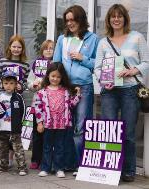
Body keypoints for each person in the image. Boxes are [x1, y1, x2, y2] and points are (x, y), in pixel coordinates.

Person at [94, 4, 149, 182]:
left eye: (119, 16)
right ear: (109, 19)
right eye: (113, 16)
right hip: (109, 92)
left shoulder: (137, 37)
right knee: (109, 131)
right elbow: (98, 68)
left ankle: (129, 170)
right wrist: (104, 80)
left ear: (125, 18)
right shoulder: (103, 42)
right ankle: (111, 170)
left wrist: (133, 70)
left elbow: (147, 62)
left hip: (131, 90)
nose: (116, 19)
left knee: (128, 134)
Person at [53, 5, 99, 175]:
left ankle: (83, 165)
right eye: (67, 20)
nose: (70, 23)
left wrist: (83, 58)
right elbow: (56, 64)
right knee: (65, 126)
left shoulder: (93, 38)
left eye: (73, 19)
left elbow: (98, 64)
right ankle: (67, 163)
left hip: (84, 87)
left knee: (80, 127)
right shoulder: (61, 39)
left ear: (81, 19)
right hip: (65, 88)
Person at [32, 63, 80, 178]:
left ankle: (59, 168)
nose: (55, 79)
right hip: (48, 124)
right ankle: (45, 168)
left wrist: (77, 95)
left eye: (58, 77)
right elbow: (37, 108)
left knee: (60, 147)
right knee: (47, 146)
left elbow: (72, 105)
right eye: (53, 76)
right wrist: (39, 123)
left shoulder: (66, 91)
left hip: (62, 125)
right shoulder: (42, 92)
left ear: (62, 78)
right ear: (48, 75)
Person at [0, 70, 27, 176]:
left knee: (18, 149)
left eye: (11, 83)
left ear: (16, 84)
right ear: (2, 84)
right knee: (2, 148)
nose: (8, 86)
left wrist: (20, 124)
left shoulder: (18, 97)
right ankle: (3, 166)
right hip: (2, 127)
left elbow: (23, 111)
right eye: (6, 83)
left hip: (14, 128)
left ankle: (22, 167)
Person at [27, 39, 55, 169]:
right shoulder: (36, 64)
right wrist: (33, 85)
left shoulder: (56, 65)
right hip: (37, 105)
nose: (49, 50)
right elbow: (29, 82)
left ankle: (47, 159)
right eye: (46, 48)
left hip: (52, 105)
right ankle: (35, 159)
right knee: (37, 133)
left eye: (51, 48)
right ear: (42, 50)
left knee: (49, 134)